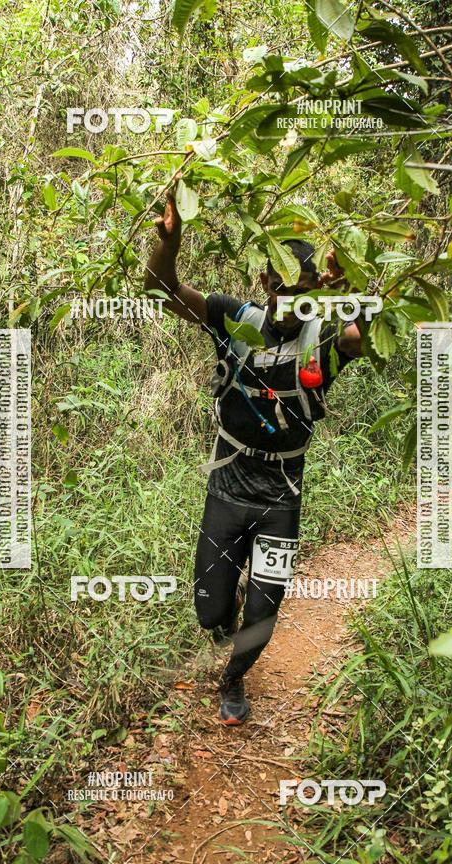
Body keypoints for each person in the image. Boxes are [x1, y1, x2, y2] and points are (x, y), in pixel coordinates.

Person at [145, 188, 363, 725]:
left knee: (264, 612)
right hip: (227, 485)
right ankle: (224, 614)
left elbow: (367, 335)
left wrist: (351, 288)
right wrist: (167, 246)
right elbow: (160, 292)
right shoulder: (233, 320)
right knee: (212, 610)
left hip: (282, 497)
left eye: (305, 291)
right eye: (283, 288)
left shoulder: (325, 338)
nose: (291, 302)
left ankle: (234, 679)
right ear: (265, 282)